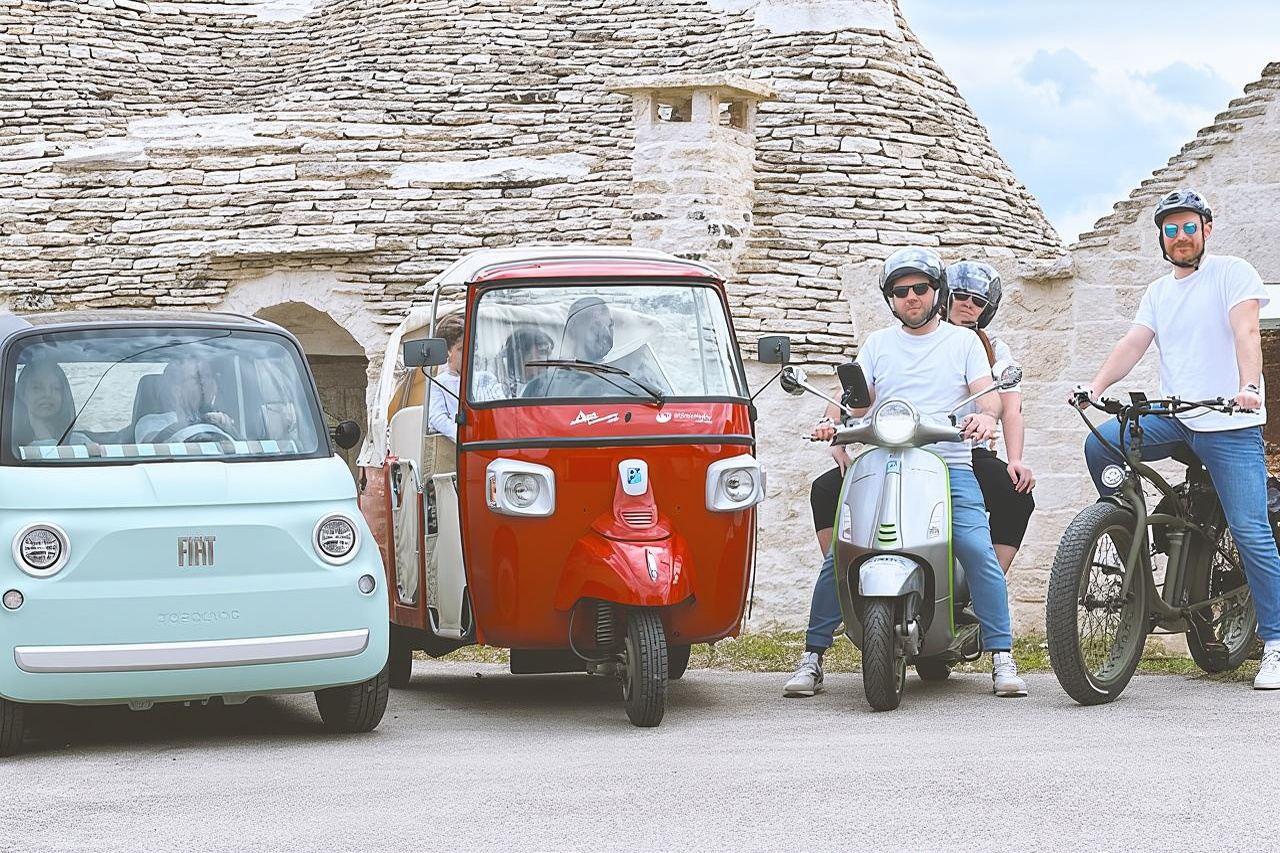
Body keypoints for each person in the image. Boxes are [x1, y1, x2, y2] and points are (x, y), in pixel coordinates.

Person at [783, 247, 1028, 699]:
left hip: (947, 464)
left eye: (920, 288)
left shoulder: (964, 343)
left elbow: (986, 395)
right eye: (901, 291)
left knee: (976, 548)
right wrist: (832, 423)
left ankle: (1001, 655)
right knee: (842, 551)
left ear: (937, 292)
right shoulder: (878, 344)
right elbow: (857, 397)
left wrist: (987, 417)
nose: (911, 297)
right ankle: (812, 657)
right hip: (883, 462)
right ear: (890, 298)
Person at [1072, 188, 1280, 691]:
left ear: (1206, 229)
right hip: (1177, 417)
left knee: (1250, 529)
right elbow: (1134, 343)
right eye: (1171, 229)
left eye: (1190, 227)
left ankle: (1275, 642)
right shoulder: (1159, 292)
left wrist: (1248, 387)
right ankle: (1128, 534)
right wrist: (1095, 388)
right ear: (1161, 238)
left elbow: (1246, 331)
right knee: (1101, 442)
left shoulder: (1232, 273)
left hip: (1229, 421)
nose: (1181, 237)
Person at [946, 260, 1035, 575]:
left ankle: (985, 584)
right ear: (945, 296)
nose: (969, 305)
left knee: (1018, 496)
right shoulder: (921, 339)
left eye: (978, 301)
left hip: (968, 451)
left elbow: (1011, 407)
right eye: (961, 296)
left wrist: (1015, 459)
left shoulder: (994, 348)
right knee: (827, 490)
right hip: (915, 446)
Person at [427, 311, 500, 443]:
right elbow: (438, 418)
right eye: (461, 349)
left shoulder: (487, 379)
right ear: (447, 351)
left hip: (491, 442)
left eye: (472, 347)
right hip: (463, 447)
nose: (468, 353)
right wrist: (464, 435)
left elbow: (500, 409)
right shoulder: (439, 384)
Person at [136, 358, 237, 443]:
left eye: (207, 376)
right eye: (196, 379)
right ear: (176, 389)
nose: (204, 384)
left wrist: (228, 429)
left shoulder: (221, 421)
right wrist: (199, 422)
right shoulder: (152, 422)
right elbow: (149, 445)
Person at [13, 358, 76, 446]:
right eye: (37, 388)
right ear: (22, 394)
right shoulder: (8, 445)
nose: (48, 394)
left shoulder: (79, 442)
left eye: (56, 388)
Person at [497, 325, 554, 397]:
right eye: (542, 352)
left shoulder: (553, 387)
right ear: (521, 357)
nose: (547, 360)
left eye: (546, 353)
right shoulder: (503, 392)